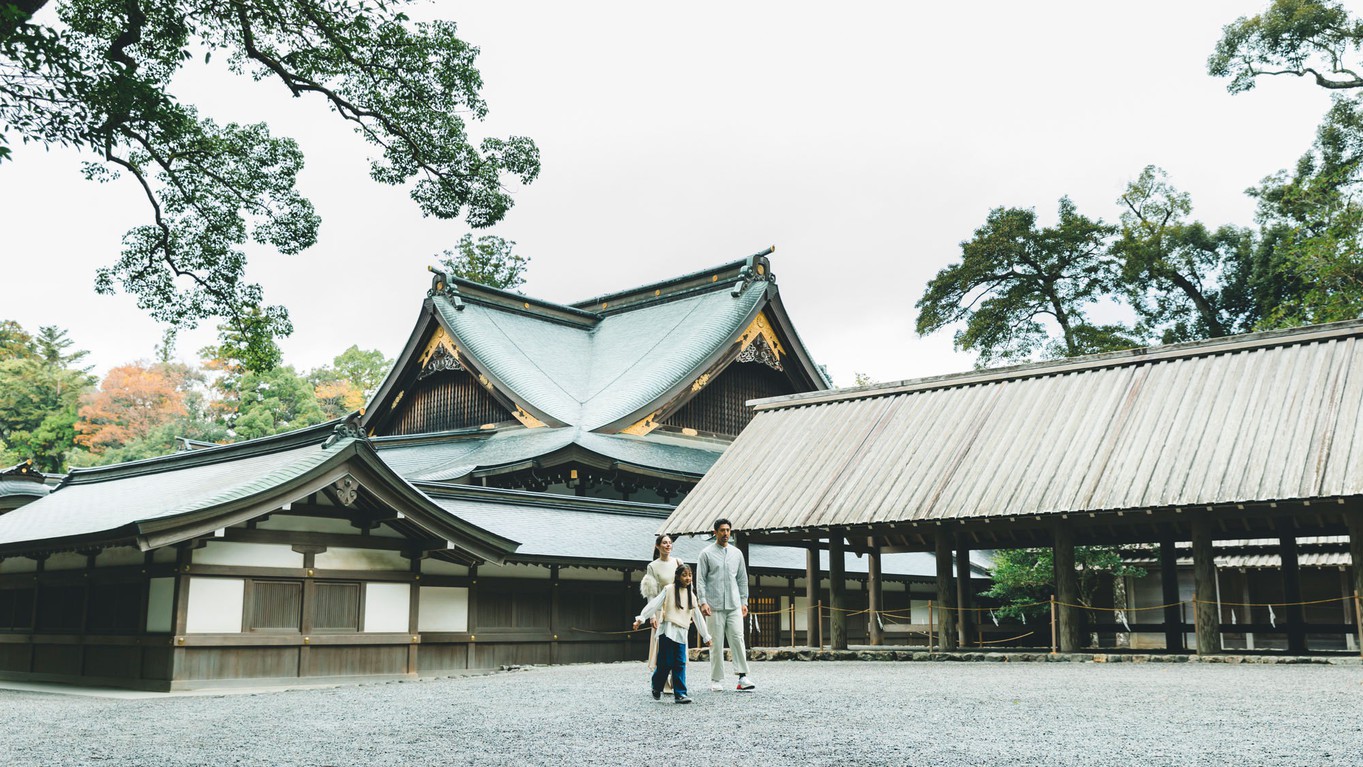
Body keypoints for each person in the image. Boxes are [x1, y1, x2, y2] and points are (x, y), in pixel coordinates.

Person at [633, 562, 710, 703]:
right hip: (667, 631)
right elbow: (654, 604)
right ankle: (656, 686)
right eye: (684, 575)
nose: (688, 578)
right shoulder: (668, 590)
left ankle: (680, 694)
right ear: (677, 576)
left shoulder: (691, 595)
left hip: (681, 632)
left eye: (690, 575)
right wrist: (641, 618)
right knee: (665, 663)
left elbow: (697, 616)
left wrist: (705, 636)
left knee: (680, 662)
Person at [696, 517, 754, 692]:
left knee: (738, 639)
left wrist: (744, 601)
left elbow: (742, 579)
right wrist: (702, 601)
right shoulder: (706, 553)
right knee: (716, 642)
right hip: (713, 606)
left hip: (734, 604)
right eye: (722, 530)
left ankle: (742, 677)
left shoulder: (737, 553)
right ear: (715, 532)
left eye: (728, 530)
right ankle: (716, 679)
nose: (726, 533)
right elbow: (700, 580)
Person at [639, 534, 677, 693]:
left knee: (677, 644)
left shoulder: (678, 562)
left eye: (669, 543)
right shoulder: (652, 566)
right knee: (663, 646)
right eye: (664, 543)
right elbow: (650, 592)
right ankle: (663, 681)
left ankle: (676, 681)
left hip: (676, 608)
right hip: (661, 609)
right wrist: (652, 615)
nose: (667, 545)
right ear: (658, 546)